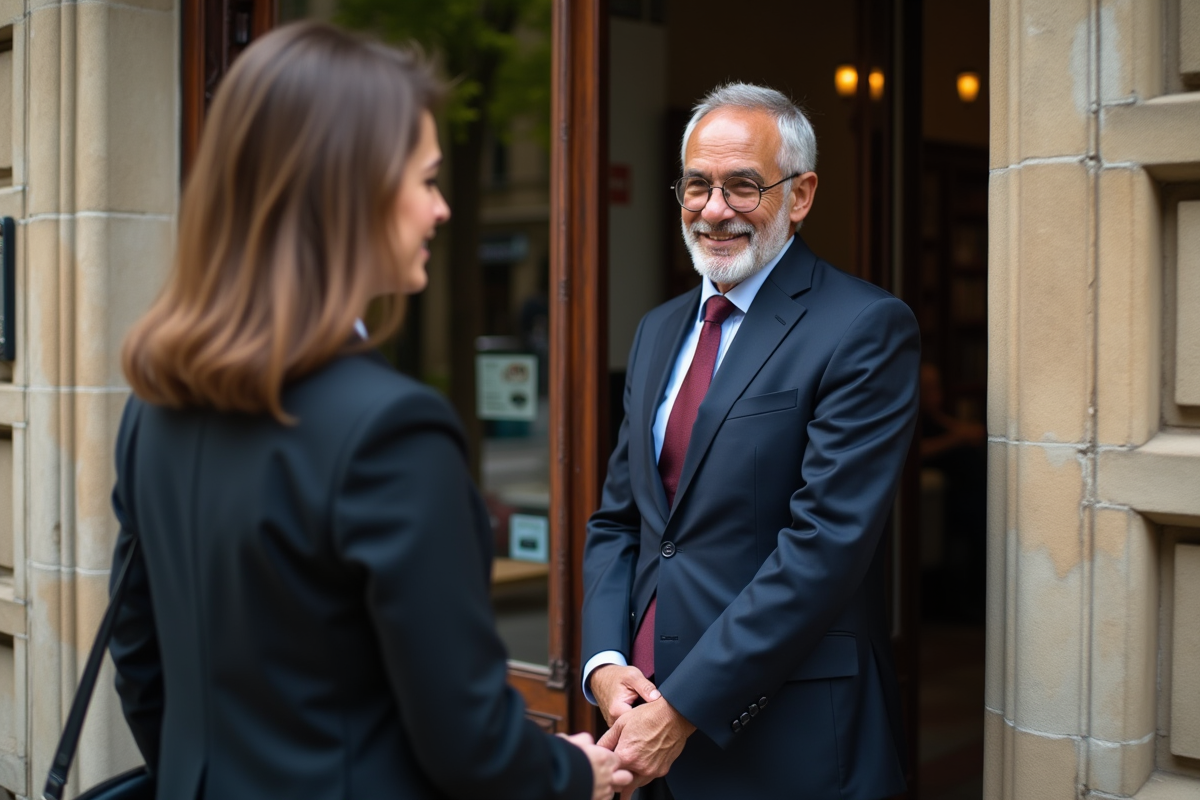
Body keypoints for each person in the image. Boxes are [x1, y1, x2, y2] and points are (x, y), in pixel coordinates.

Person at [107, 23, 629, 800]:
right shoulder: (391, 430)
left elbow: (143, 665)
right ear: (343, 193)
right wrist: (573, 773)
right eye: (425, 180)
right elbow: (469, 743)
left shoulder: (154, 405)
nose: (443, 209)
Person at [581, 83, 920, 800]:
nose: (714, 210)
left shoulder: (864, 328)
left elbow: (824, 549)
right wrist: (605, 664)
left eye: (742, 187)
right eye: (697, 186)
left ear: (799, 196)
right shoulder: (656, 331)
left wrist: (686, 707)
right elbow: (622, 522)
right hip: (635, 734)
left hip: (781, 742)